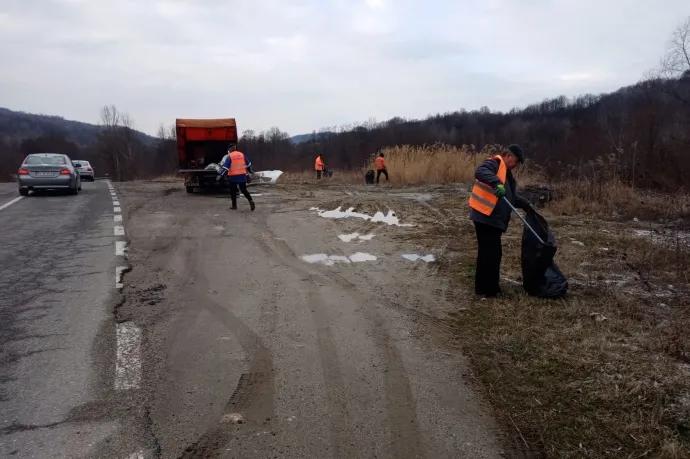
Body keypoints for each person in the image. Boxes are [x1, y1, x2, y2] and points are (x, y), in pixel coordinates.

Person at [469, 144, 531, 298]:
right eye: (516, 162)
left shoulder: (507, 175)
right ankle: (488, 290)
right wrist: (496, 183)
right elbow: (480, 171)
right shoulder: (494, 164)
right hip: (485, 217)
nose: (516, 166)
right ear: (509, 156)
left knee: (490, 254)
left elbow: (510, 197)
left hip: (493, 220)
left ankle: (485, 288)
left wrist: (526, 205)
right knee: (490, 254)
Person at [222, 144, 255, 211]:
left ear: (230, 149)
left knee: (233, 191)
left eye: (228, 149)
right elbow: (248, 164)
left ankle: (234, 206)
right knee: (244, 190)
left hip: (233, 177)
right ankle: (251, 201)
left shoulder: (230, 156)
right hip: (242, 176)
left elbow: (225, 168)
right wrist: (250, 172)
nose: (228, 150)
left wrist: (220, 175)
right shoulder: (241, 154)